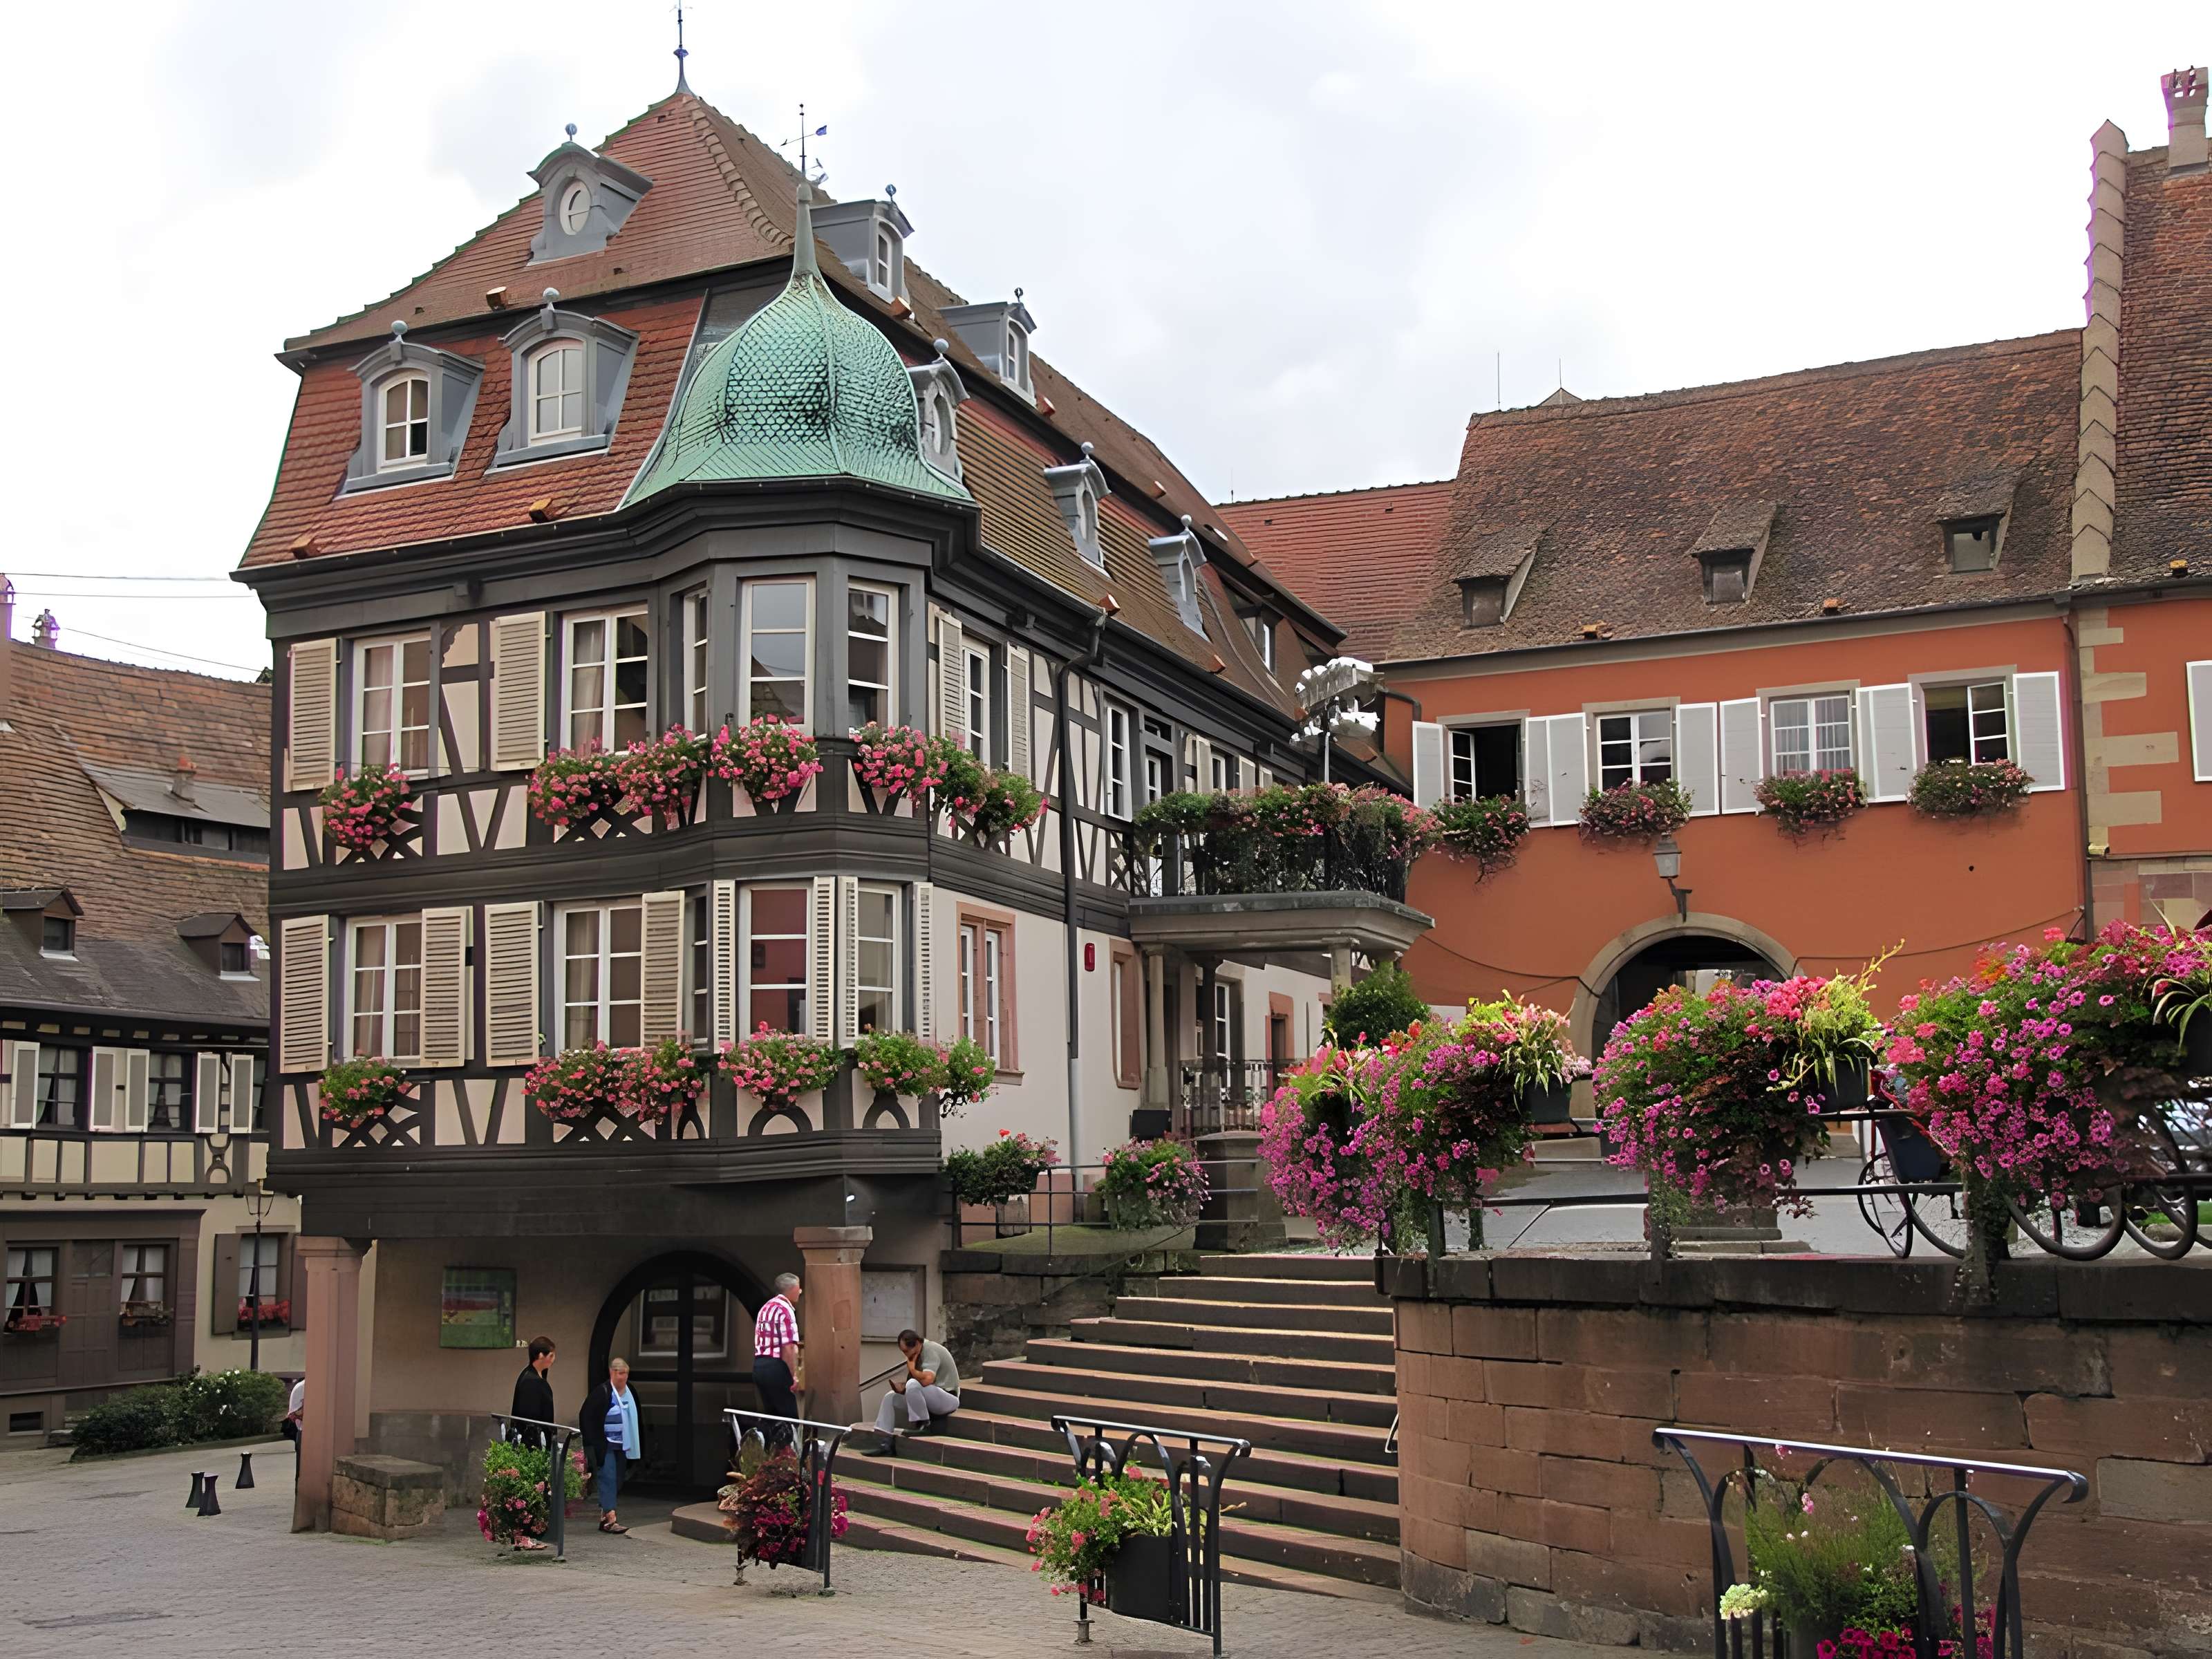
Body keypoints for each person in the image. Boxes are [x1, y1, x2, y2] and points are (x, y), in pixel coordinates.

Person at [861, 1329, 960, 1457]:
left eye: (907, 1351)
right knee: (890, 1397)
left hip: (948, 1399)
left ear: (918, 1343)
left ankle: (923, 1425)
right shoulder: (916, 1355)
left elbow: (927, 1380)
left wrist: (912, 1369)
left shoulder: (930, 1350)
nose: (906, 1355)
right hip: (930, 1398)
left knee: (912, 1384)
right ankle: (885, 1443)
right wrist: (902, 1391)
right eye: (904, 1352)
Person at [580, 1358, 641, 1536]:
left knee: (617, 1478)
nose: (623, 1377)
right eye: (619, 1373)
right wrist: (594, 1441)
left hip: (623, 1444)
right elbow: (587, 1416)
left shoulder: (631, 1392)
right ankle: (611, 1518)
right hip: (605, 1444)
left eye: (625, 1373)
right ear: (612, 1373)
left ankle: (604, 1516)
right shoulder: (602, 1392)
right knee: (608, 1476)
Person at [508, 1336, 557, 1550]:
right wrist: (545, 1440)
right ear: (540, 1356)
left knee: (535, 1489)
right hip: (532, 1444)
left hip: (535, 1442)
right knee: (531, 1488)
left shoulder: (532, 1377)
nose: (553, 1360)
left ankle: (527, 1534)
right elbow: (531, 1418)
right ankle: (523, 1535)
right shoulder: (532, 1382)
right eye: (551, 1355)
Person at [750, 1273, 802, 1446]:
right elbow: (788, 1347)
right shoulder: (785, 1310)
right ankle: (788, 1458)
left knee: (771, 1415)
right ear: (792, 1290)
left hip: (759, 1365)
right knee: (789, 1418)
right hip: (776, 1366)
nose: (801, 1291)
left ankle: (767, 1453)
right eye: (799, 1288)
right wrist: (795, 1375)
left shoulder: (765, 1308)